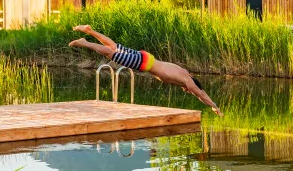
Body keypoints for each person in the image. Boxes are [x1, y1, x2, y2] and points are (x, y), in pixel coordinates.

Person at [69, 24, 222, 116]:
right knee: (112, 54)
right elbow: (201, 94)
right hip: (144, 64)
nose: (188, 90)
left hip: (147, 58)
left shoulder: (184, 72)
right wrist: (214, 106)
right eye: (189, 89)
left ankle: (90, 30)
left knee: (114, 47)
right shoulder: (188, 82)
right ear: (193, 84)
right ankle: (85, 43)